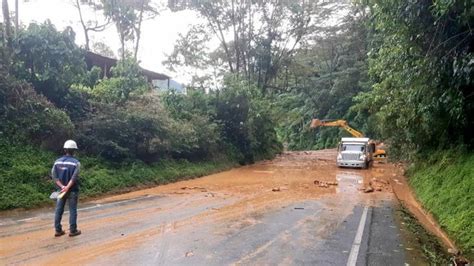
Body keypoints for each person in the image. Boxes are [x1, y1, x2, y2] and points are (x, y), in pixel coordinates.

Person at [52, 140, 82, 237]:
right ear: (74, 151)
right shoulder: (76, 163)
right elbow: (74, 178)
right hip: (72, 190)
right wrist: (67, 187)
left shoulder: (57, 162)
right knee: (72, 210)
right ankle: (73, 230)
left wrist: (62, 187)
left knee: (59, 209)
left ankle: (58, 230)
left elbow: (54, 176)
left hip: (60, 190)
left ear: (65, 150)